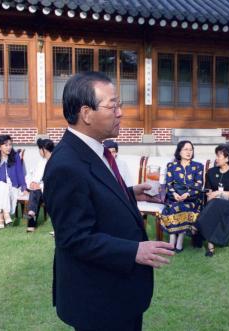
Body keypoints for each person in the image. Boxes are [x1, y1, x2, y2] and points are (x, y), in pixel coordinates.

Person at [43, 71, 174, 331]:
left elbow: (94, 193)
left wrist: (129, 192)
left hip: (117, 294)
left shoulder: (96, 149)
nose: (120, 113)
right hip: (98, 301)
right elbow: (74, 237)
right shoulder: (66, 164)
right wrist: (135, 250)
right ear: (86, 113)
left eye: (120, 105)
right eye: (112, 105)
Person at [195, 144, 229, 257]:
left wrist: (218, 193)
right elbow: (208, 191)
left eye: (219, 156)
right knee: (214, 207)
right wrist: (210, 195)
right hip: (214, 204)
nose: (216, 158)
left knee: (215, 204)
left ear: (227, 158)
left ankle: (197, 225)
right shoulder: (211, 172)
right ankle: (210, 248)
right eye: (216, 156)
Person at [160, 140, 204, 252]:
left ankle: (179, 240)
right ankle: (172, 238)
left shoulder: (198, 166)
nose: (189, 152)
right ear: (179, 151)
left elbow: (198, 184)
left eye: (191, 149)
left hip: (192, 198)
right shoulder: (171, 166)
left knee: (184, 207)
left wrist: (187, 194)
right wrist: (174, 194)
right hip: (173, 197)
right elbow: (168, 184)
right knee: (174, 207)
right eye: (185, 149)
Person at [0, 134, 27, 229]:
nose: (9, 147)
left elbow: (20, 173)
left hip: (12, 187)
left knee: (4, 187)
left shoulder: (15, 157)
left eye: (10, 144)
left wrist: (24, 187)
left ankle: (1, 217)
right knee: (2, 185)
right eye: (6, 145)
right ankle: (6, 214)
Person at [25, 138, 55, 232]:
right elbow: (34, 175)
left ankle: (31, 220)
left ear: (44, 149)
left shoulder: (55, 161)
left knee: (36, 191)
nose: (38, 152)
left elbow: (55, 181)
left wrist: (40, 186)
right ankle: (31, 214)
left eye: (39, 149)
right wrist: (32, 182)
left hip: (52, 190)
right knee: (35, 191)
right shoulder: (41, 161)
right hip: (40, 190)